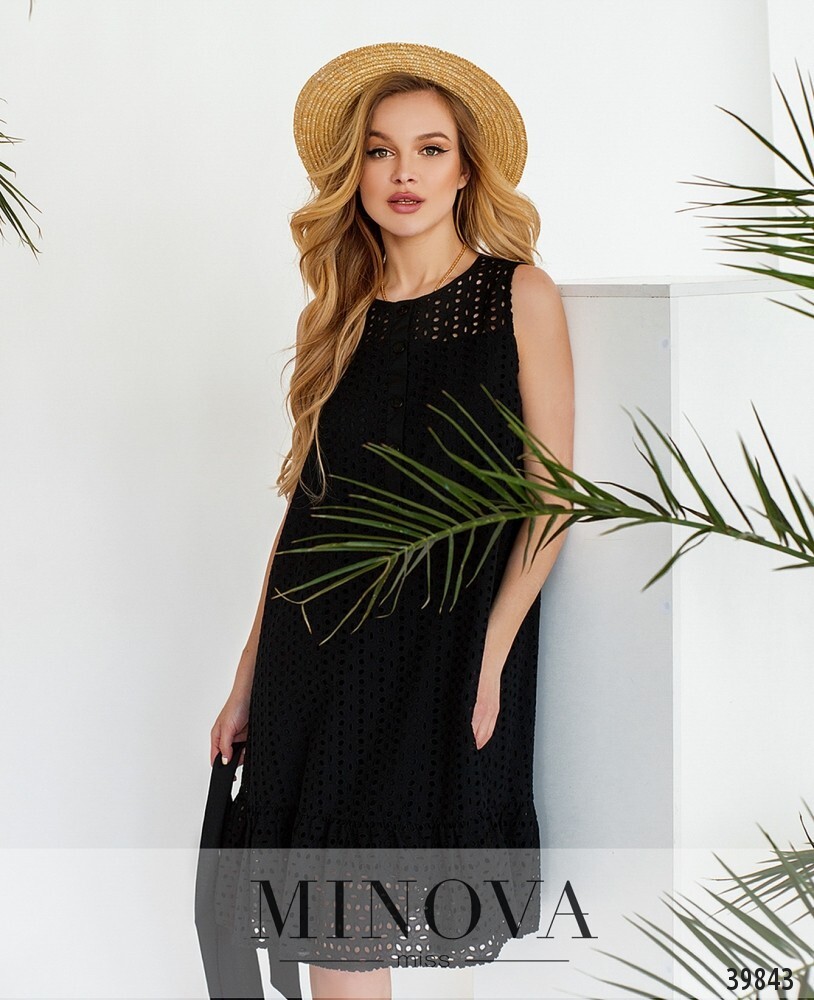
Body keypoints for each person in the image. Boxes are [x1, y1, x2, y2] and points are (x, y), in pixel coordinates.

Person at [204, 41, 574, 1000]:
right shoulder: (338, 314)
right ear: (355, 172)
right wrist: (247, 677)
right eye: (380, 151)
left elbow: (552, 498)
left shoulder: (518, 294)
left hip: (443, 646)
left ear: (466, 170)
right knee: (335, 930)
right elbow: (308, 514)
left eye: (430, 149)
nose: (404, 173)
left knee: (359, 918)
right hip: (320, 652)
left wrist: (491, 654)